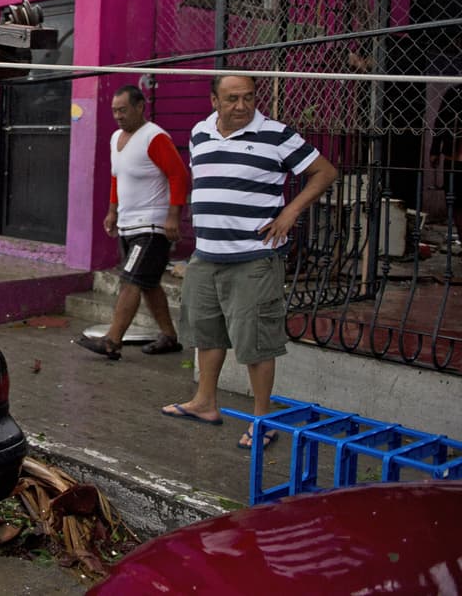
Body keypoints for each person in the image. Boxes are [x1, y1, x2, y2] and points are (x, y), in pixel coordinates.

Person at [160, 74, 337, 450]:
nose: (241, 106)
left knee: (257, 341)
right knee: (207, 332)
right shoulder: (199, 133)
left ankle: (263, 419)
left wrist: (290, 213)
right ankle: (205, 402)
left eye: (248, 98)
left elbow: (324, 172)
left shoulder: (276, 134)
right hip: (206, 255)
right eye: (232, 99)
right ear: (214, 101)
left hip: (254, 257)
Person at [77, 85, 188, 360]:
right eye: (115, 111)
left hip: (151, 226)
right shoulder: (116, 138)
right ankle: (169, 336)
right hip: (128, 223)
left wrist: (173, 216)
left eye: (123, 110)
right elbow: (117, 177)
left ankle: (112, 341)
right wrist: (112, 211)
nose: (118, 116)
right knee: (148, 283)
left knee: (130, 281)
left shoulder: (155, 137)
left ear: (140, 107)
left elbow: (179, 176)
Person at [429, 84, 462, 246]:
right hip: (454, 154)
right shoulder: (454, 92)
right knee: (454, 199)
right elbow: (441, 120)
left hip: (455, 153)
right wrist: (435, 149)